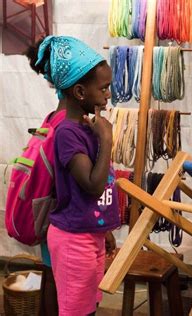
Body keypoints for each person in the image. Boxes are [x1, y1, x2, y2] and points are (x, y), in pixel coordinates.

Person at [28, 35, 120, 316]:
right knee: (76, 311)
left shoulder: (86, 128)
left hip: (89, 234)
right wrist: (106, 139)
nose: (108, 95)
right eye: (103, 89)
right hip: (72, 241)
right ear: (80, 92)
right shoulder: (67, 133)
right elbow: (92, 185)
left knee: (88, 306)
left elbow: (98, 187)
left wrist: (102, 230)